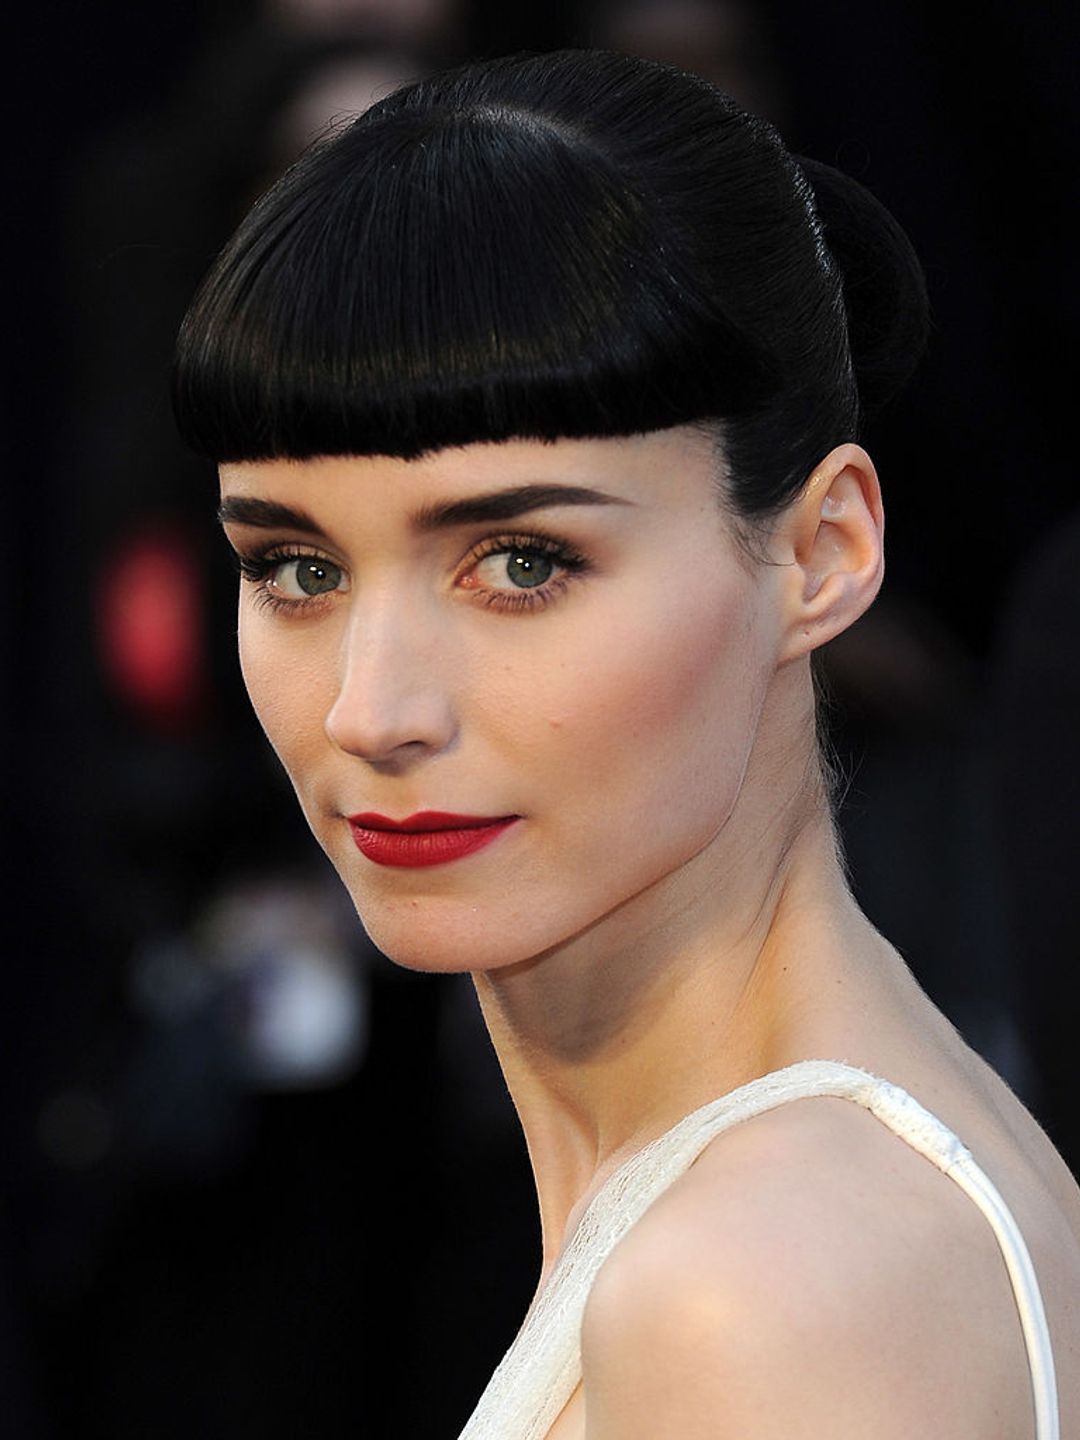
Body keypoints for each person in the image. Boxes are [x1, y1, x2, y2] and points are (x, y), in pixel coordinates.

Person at [172, 48, 1080, 1439]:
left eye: (522, 562)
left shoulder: (756, 1291)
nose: (371, 709)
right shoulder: (828, 1170)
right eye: (297, 570)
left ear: (820, 553)